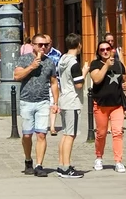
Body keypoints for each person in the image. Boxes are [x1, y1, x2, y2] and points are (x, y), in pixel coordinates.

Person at [13, 33, 57, 177]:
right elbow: (17, 76)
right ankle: (28, 160)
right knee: (27, 135)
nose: (43, 47)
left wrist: (55, 102)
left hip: (43, 102)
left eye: (45, 45)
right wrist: (32, 66)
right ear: (32, 45)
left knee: (41, 135)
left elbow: (54, 82)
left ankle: (39, 165)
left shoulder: (50, 62)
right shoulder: (24, 59)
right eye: (40, 45)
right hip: (26, 101)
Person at [90, 38, 126, 174]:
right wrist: (106, 66)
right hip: (101, 104)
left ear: (112, 50)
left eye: (108, 49)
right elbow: (96, 79)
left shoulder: (119, 64)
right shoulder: (95, 64)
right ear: (98, 52)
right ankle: (99, 157)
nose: (105, 51)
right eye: (102, 49)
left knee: (117, 132)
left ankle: (118, 161)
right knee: (101, 134)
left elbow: (125, 81)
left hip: (117, 104)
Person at [52, 33, 86, 178]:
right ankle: (66, 167)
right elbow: (79, 84)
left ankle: (62, 164)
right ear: (79, 45)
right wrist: (85, 72)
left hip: (64, 98)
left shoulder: (62, 59)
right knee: (70, 135)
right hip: (72, 101)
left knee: (65, 133)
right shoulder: (74, 63)